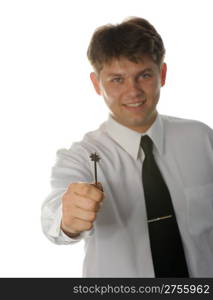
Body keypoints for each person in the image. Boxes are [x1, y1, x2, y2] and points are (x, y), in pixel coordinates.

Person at [41, 17, 213, 277]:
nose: (133, 91)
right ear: (96, 83)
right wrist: (67, 218)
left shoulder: (202, 138)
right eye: (117, 79)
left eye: (143, 75)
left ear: (162, 74)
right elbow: (56, 213)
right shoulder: (78, 158)